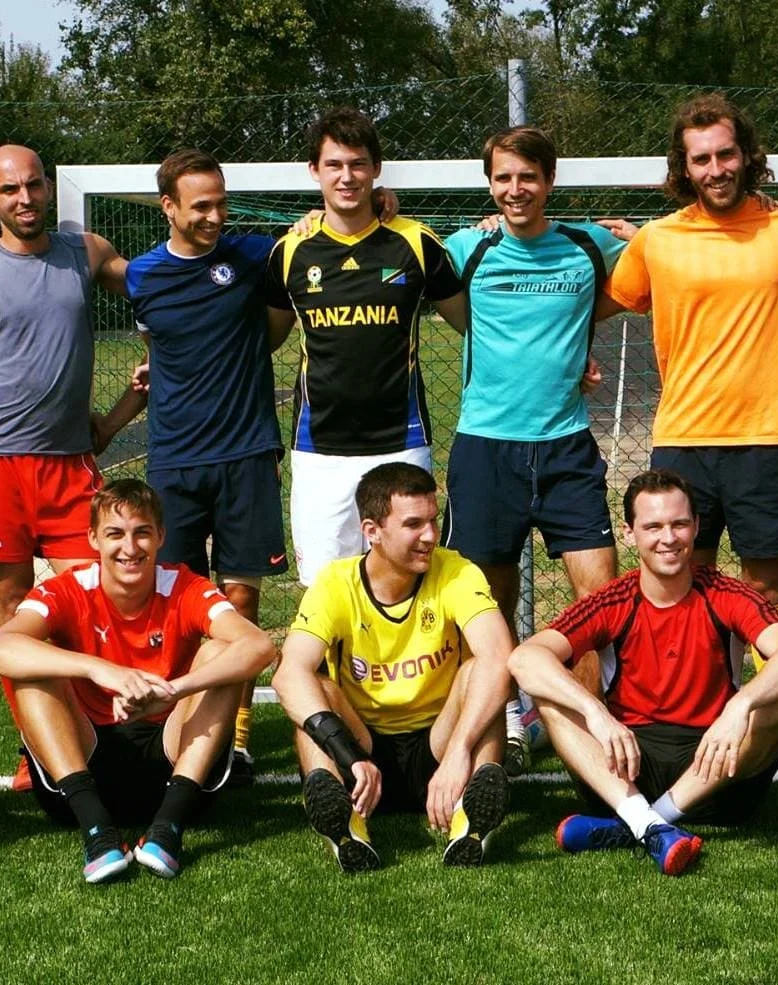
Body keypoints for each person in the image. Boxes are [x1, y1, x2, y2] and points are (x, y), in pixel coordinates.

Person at [604, 94, 778, 779]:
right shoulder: (655, 240)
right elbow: (615, 295)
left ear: (747, 155)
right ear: (684, 165)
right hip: (683, 438)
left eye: (726, 154)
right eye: (701, 157)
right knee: (687, 589)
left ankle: (775, 737)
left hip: (766, 438)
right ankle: (695, 721)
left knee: (766, 596)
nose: (716, 168)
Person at [0, 144, 142, 789]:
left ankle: (104, 737)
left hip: (71, 465)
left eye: (34, 186)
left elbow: (162, 282)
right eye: (10, 190)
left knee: (92, 600)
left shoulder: (86, 252)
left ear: (48, 189)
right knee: (16, 606)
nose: (25, 199)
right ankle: (37, 746)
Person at [506, 469, 778, 877]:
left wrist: (741, 705)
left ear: (697, 527)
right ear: (630, 532)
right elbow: (525, 659)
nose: (668, 538)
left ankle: (643, 823)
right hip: (627, 767)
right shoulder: (613, 599)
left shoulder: (725, 593)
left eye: (679, 524)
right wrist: (596, 713)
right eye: (653, 526)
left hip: (715, 770)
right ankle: (648, 822)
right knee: (552, 699)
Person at [440, 126, 627, 774]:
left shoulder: (587, 243)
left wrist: (634, 235)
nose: (516, 189)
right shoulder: (468, 246)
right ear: (489, 183)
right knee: (486, 601)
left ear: (549, 182)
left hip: (566, 446)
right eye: (504, 178)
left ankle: (583, 723)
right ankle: (507, 719)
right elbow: (428, 285)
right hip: (486, 446)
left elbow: (631, 286)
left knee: (596, 595)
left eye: (528, 177)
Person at [0, 479, 275, 883]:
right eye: (115, 534)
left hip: (175, 763)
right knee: (32, 665)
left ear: (160, 537)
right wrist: (99, 669)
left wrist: (174, 689)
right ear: (93, 539)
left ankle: (167, 829)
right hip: (85, 768)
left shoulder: (185, 585)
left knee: (221, 653)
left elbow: (259, 646)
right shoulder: (67, 589)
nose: (130, 548)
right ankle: (98, 833)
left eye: (142, 533)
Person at [127, 148, 287, 788]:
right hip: (174, 462)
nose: (216, 216)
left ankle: (236, 740)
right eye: (201, 207)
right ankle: (177, 726)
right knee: (178, 604)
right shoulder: (142, 276)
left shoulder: (252, 257)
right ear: (169, 207)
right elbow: (157, 346)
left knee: (240, 597)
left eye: (221, 203)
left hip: (247, 452)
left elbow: (315, 229)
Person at [273, 463, 515, 872]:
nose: (430, 536)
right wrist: (347, 755)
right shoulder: (335, 583)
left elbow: (498, 655)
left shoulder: (457, 571)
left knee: (481, 669)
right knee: (316, 689)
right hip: (363, 750)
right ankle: (347, 829)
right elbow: (288, 673)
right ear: (372, 531)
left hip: (439, 744)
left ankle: (470, 820)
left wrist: (458, 752)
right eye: (413, 524)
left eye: (433, 521)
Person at [263, 108, 469, 589]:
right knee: (325, 588)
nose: (347, 176)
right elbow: (267, 338)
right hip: (319, 450)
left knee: (406, 584)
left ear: (376, 169)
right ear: (314, 171)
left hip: (401, 440)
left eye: (357, 164)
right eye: (334, 165)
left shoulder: (416, 244)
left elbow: (474, 326)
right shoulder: (291, 251)